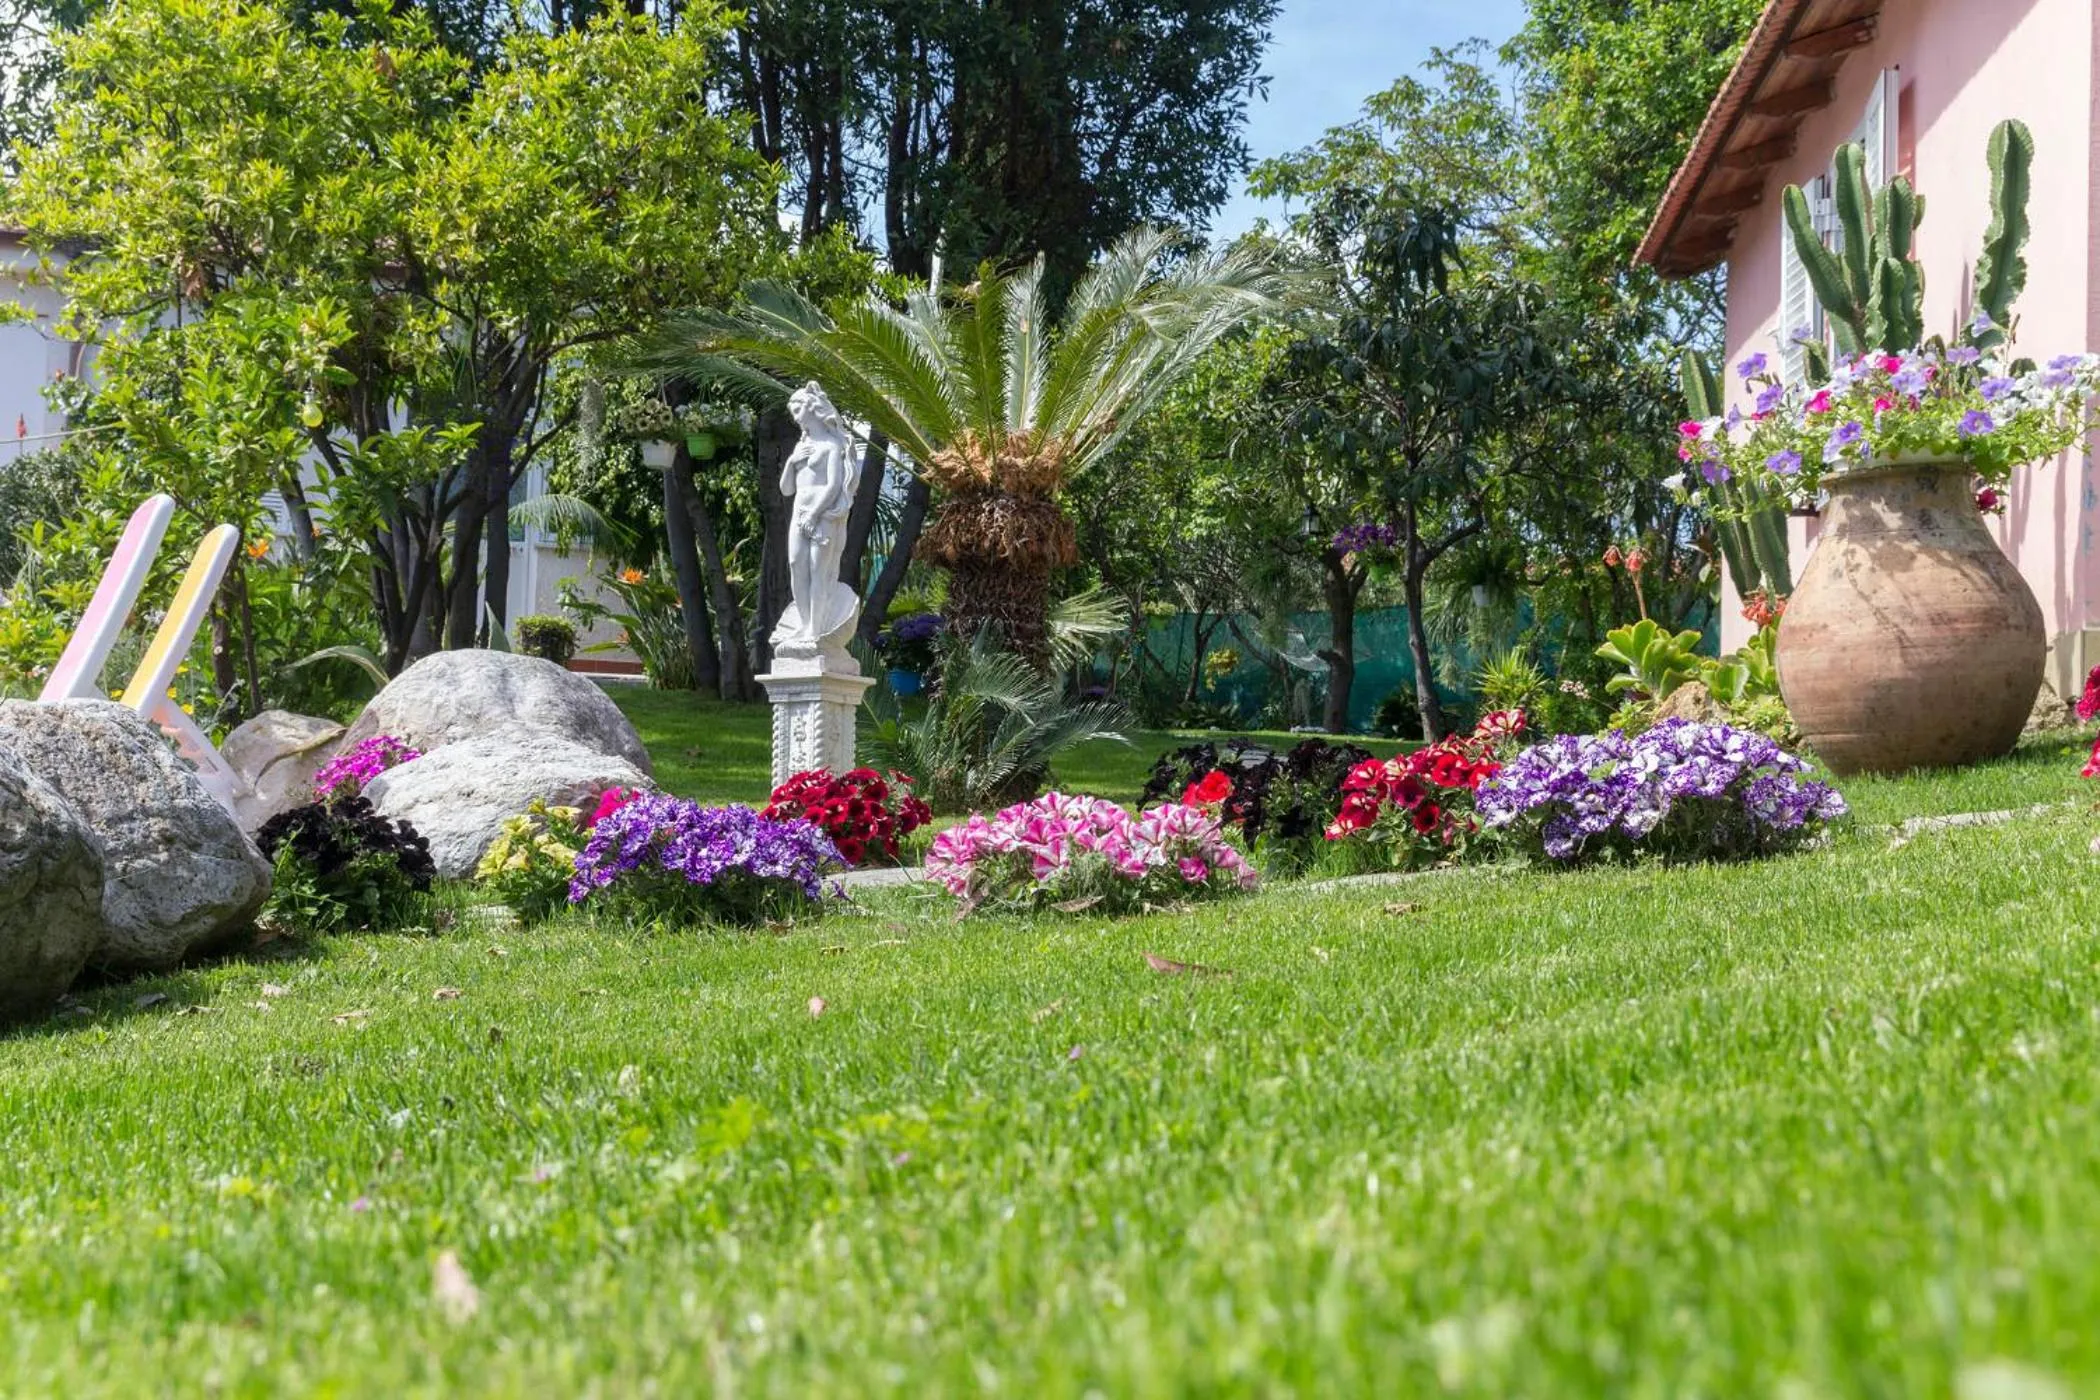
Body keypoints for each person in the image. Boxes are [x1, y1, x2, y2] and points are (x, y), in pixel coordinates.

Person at [775, 382, 860, 649]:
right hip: (800, 512)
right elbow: (786, 489)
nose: (794, 413)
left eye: (798, 407)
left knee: (818, 571)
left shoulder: (831, 445)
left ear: (812, 408)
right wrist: (791, 461)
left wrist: (814, 513)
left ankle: (815, 627)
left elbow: (834, 485)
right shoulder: (802, 447)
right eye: (792, 409)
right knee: (795, 565)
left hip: (823, 515)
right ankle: (804, 622)